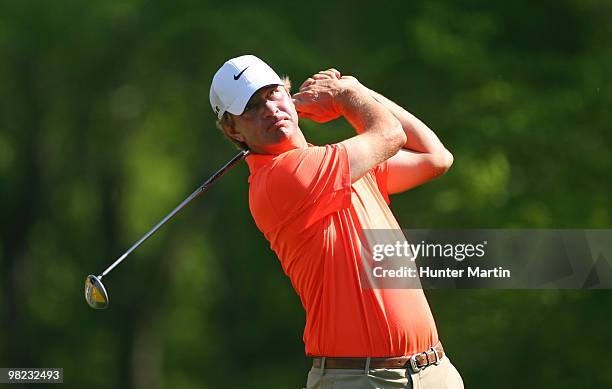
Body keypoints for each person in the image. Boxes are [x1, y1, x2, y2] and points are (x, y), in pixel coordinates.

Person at [210, 54, 463, 389]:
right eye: (252, 108)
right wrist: (345, 95)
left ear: (290, 95)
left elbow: (435, 158)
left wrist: (356, 88)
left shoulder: (337, 165)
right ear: (233, 129)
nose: (269, 109)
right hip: (360, 379)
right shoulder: (283, 177)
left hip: (434, 370)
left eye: (273, 94)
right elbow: (390, 135)